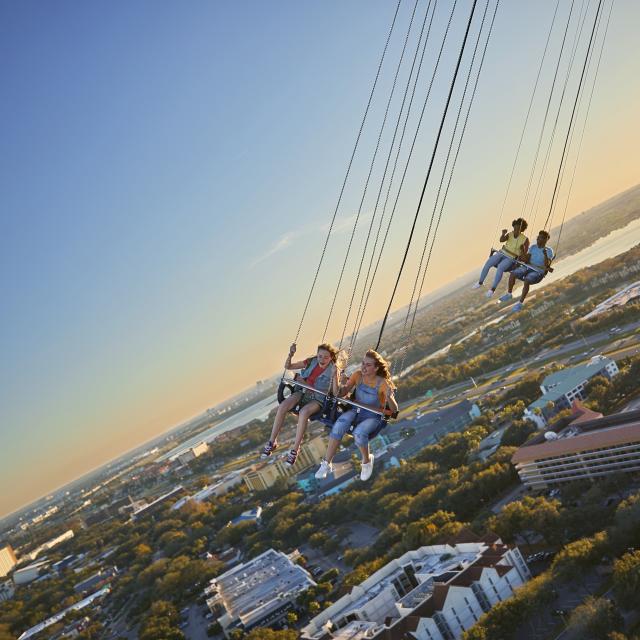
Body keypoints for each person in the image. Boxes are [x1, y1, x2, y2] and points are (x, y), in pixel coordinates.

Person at [315, 350, 398, 482]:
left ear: (376, 368)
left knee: (359, 433)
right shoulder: (357, 376)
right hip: (356, 411)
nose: (363, 367)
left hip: (373, 416)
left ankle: (366, 461)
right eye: (363, 363)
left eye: (368, 365)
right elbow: (339, 393)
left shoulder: (383, 383)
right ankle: (326, 463)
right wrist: (336, 377)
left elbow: (394, 410)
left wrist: (390, 398)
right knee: (339, 425)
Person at [261, 342, 342, 466]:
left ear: (331, 357)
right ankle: (272, 442)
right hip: (302, 392)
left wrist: (335, 376)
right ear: (317, 355)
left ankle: (295, 450)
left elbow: (336, 393)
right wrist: (291, 354)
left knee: (304, 412)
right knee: (283, 406)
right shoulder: (311, 361)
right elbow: (288, 366)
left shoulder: (333, 369)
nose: (322, 359)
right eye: (320, 356)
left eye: (326, 357)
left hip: (317, 399)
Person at [472, 218, 529, 297]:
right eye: (515, 227)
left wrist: (522, 250)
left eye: (518, 228)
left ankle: (492, 289)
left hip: (511, 257)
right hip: (502, 253)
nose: (515, 230)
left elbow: (524, 256)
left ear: (521, 229)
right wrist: (503, 234)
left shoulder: (525, 240)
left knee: (500, 267)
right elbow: (501, 240)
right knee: (488, 263)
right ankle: (480, 282)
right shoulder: (510, 234)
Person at [499, 229, 554, 311]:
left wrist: (545, 254)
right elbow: (526, 260)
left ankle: (520, 303)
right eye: (537, 238)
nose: (538, 240)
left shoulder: (549, 251)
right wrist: (522, 250)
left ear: (545, 240)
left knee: (527, 279)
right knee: (513, 273)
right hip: (528, 267)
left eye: (540, 238)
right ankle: (509, 294)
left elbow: (547, 265)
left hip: (538, 272)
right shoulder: (533, 247)